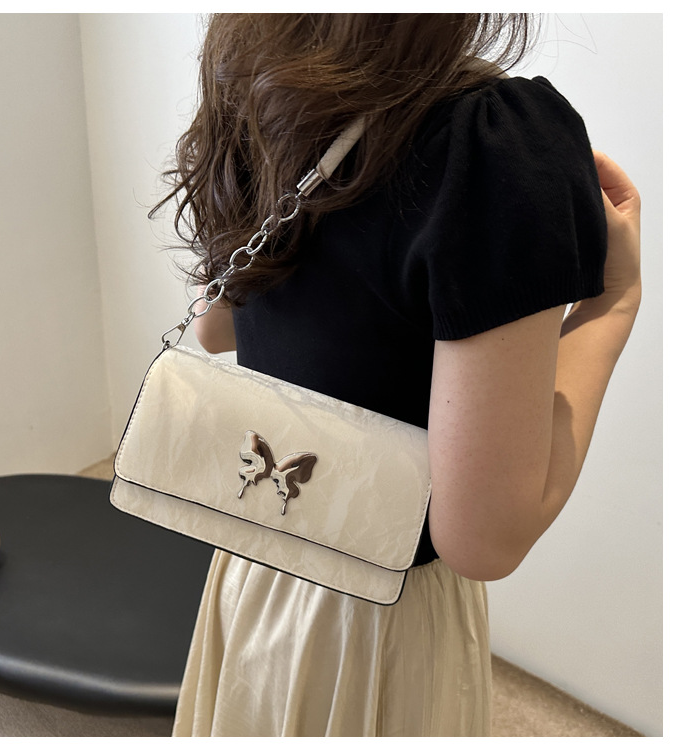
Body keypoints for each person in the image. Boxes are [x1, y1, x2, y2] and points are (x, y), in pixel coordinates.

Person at [152, 13, 641, 737]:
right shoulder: (490, 144)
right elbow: (483, 539)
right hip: (371, 615)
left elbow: (214, 327)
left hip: (258, 558)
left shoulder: (261, 71)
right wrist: (612, 302)